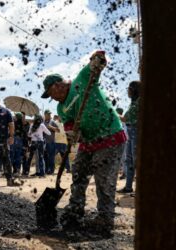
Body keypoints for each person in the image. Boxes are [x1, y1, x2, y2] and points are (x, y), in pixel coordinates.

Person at [41, 51, 127, 233]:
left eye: (50, 93)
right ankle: (75, 212)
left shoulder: (82, 80)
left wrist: (97, 60)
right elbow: (72, 130)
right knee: (78, 175)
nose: (52, 98)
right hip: (88, 142)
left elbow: (99, 60)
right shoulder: (61, 107)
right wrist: (73, 135)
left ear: (57, 86)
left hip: (110, 137)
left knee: (104, 180)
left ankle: (105, 220)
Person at [118, 81, 140, 193]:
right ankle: (128, 187)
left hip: (136, 131)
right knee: (129, 160)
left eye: (129, 88)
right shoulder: (134, 102)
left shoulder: (139, 102)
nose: (127, 90)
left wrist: (111, 111)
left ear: (134, 90)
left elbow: (125, 118)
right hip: (131, 132)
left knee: (135, 160)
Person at [43, 110, 59, 175]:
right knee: (45, 157)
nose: (49, 115)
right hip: (44, 142)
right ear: (45, 115)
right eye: (48, 114)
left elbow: (58, 130)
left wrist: (51, 127)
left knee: (51, 157)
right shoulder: (43, 123)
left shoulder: (52, 122)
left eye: (50, 114)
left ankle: (51, 170)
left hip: (51, 142)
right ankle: (46, 170)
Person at [116, 108, 128, 180]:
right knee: (121, 158)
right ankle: (123, 173)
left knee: (124, 158)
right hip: (122, 140)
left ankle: (125, 173)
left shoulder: (123, 121)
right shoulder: (121, 121)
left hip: (125, 140)